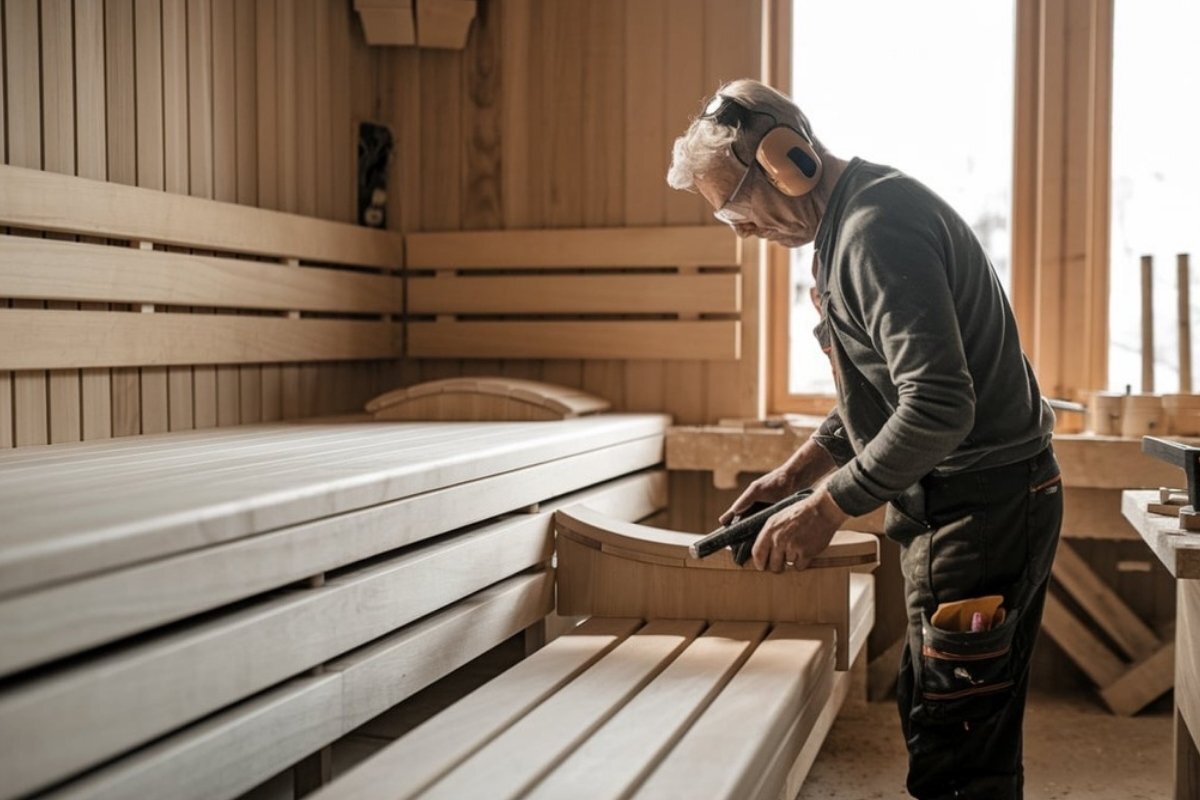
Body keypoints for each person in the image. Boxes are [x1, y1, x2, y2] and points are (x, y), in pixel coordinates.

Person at [667, 78, 1063, 800]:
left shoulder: (876, 231)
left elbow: (938, 407)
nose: (739, 231)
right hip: (965, 497)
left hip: (982, 502)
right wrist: (794, 474)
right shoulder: (847, 227)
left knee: (959, 733)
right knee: (940, 701)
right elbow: (881, 393)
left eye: (734, 206)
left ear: (788, 162)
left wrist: (825, 509)